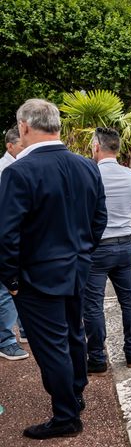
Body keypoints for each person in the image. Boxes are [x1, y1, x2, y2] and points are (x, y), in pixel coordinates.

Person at [0, 99, 107, 439]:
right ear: (56, 126)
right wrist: (83, 252)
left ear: (25, 127)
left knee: (51, 347)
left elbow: (6, 234)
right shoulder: (87, 166)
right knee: (74, 335)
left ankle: (66, 417)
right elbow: (98, 219)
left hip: (37, 277)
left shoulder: (18, 172)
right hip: (77, 269)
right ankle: (75, 394)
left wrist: (12, 280)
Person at [84, 127, 131, 375]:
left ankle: (97, 358)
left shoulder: (90, 174)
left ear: (97, 146)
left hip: (99, 247)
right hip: (126, 245)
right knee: (128, 300)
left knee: (93, 304)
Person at [0, 127, 29, 361]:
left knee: (17, 285)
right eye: (21, 145)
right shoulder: (4, 169)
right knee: (4, 291)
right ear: (10, 146)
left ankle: (25, 330)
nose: (26, 148)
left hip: (18, 237)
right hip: (6, 237)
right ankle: (6, 340)